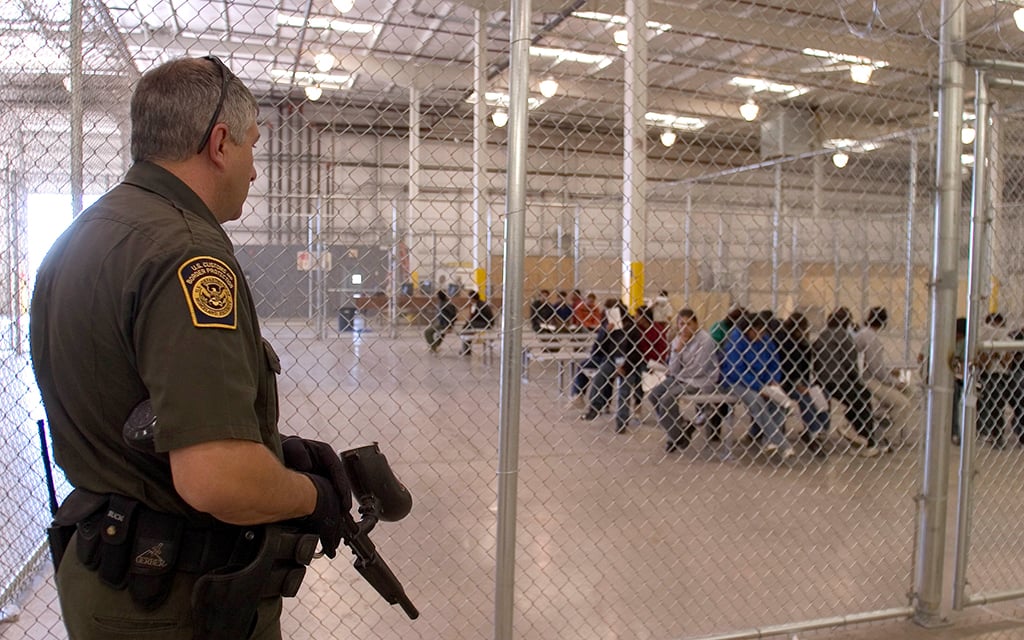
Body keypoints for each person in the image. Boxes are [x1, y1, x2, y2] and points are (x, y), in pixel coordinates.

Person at [29, 56, 351, 640]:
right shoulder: (189, 254)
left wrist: (270, 448)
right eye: (253, 145)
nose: (255, 170)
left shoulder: (85, 233)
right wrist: (313, 495)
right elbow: (216, 479)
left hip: (103, 572)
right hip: (176, 600)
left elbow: (129, 403)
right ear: (219, 143)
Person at [722, 310, 795, 459]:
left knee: (780, 403)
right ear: (749, 329)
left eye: (763, 332)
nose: (761, 336)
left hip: (761, 381)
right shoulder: (736, 340)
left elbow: (774, 362)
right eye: (757, 332)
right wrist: (758, 387)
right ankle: (783, 445)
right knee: (757, 401)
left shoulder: (765, 339)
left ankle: (769, 440)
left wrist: (773, 379)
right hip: (737, 382)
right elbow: (737, 371)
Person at [815, 307, 886, 457]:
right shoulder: (844, 337)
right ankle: (868, 440)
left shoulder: (822, 335)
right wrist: (857, 382)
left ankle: (856, 430)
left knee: (856, 399)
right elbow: (849, 365)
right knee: (863, 397)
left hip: (822, 380)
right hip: (837, 380)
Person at [648, 309, 719, 452]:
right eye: (681, 324)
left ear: (696, 325)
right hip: (681, 377)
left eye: (689, 324)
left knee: (667, 398)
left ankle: (674, 437)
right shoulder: (677, 340)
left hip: (700, 380)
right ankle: (680, 429)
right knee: (654, 395)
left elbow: (699, 369)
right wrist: (677, 351)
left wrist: (679, 371)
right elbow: (673, 370)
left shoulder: (705, 341)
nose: (685, 328)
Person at [854, 306, 918, 445]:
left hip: (867, 377)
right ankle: (884, 437)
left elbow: (875, 366)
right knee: (904, 405)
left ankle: (875, 420)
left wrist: (889, 372)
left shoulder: (864, 333)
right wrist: (894, 382)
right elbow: (876, 370)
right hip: (868, 379)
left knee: (899, 397)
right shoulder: (870, 337)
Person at [581, 303, 644, 433]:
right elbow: (597, 350)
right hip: (611, 359)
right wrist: (605, 333)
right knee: (599, 378)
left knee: (624, 391)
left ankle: (621, 421)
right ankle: (594, 408)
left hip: (628, 363)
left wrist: (624, 367)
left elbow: (636, 353)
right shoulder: (610, 328)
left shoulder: (633, 330)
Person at [777, 313, 830, 457]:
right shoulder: (783, 343)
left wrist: (807, 384)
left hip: (800, 380)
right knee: (805, 399)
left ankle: (821, 430)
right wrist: (798, 385)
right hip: (784, 381)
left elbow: (805, 370)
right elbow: (784, 369)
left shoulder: (804, 345)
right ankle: (814, 430)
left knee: (822, 396)